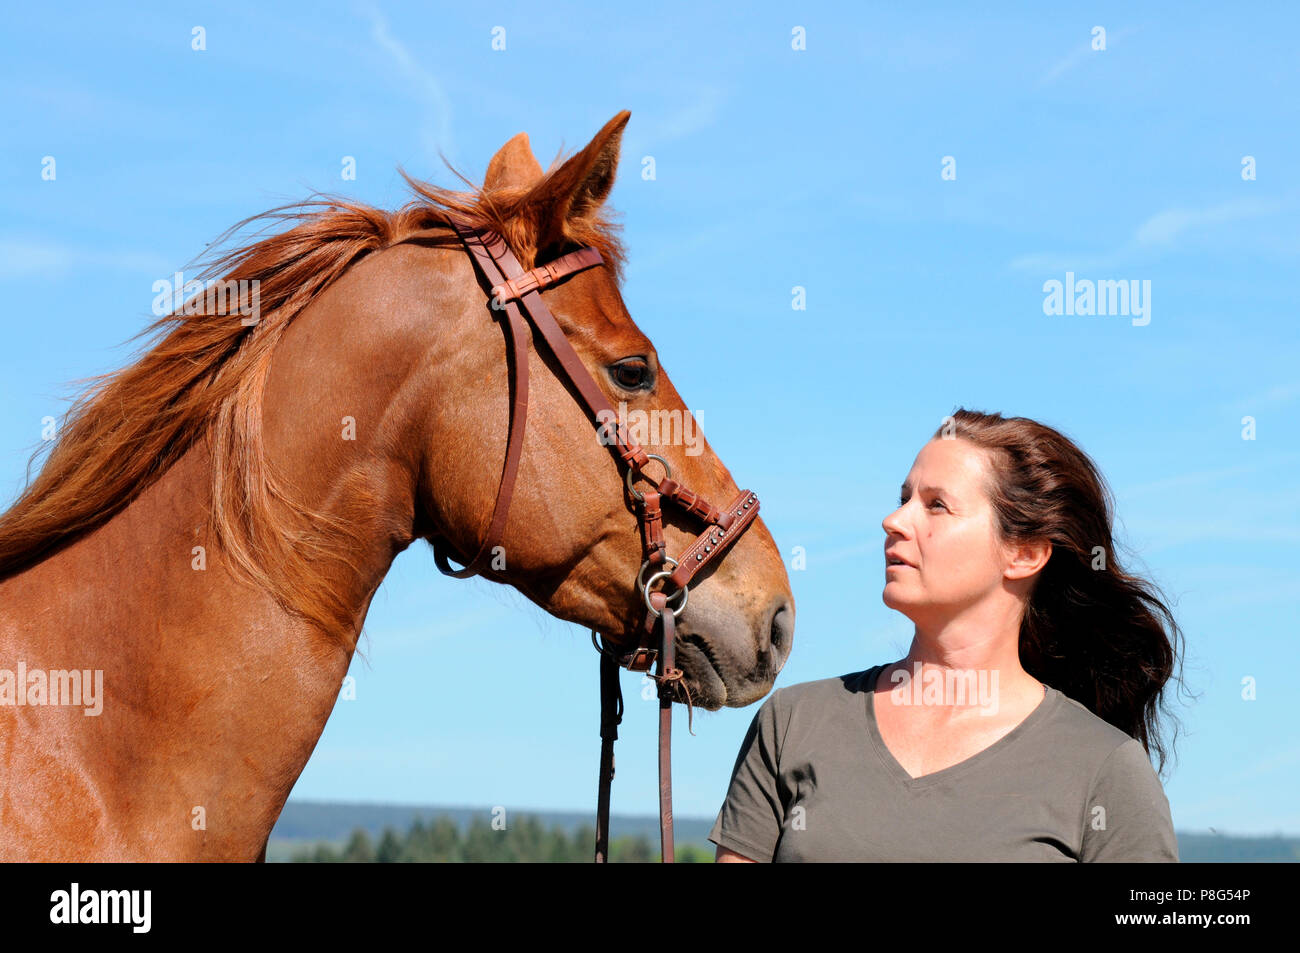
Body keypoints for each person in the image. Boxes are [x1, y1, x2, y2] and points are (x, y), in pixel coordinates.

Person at [709, 408, 1184, 862]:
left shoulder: (1105, 768)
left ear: (1025, 554)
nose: (894, 521)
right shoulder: (793, 723)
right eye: (904, 499)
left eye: (937, 505)